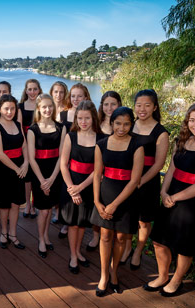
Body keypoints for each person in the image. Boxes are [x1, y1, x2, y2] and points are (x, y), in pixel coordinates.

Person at [146, 102, 195, 297]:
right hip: (170, 197)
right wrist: (164, 193)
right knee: (158, 241)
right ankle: (163, 276)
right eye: (192, 120)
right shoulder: (181, 141)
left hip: (192, 203)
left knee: (184, 247)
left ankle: (176, 280)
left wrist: (174, 197)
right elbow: (171, 170)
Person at [90, 107, 144, 296]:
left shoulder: (137, 145)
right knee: (105, 236)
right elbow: (97, 174)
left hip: (126, 198)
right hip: (105, 196)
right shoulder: (102, 144)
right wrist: (97, 201)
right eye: (118, 123)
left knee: (121, 237)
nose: (122, 127)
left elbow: (135, 180)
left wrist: (115, 205)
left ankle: (114, 271)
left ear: (131, 124)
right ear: (111, 123)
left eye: (127, 123)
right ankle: (104, 275)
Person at [120, 90, 169, 269]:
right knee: (127, 217)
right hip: (126, 178)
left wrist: (139, 181)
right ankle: (126, 248)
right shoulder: (129, 125)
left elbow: (159, 164)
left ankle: (138, 251)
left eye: (147, 105)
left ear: (154, 107)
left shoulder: (161, 132)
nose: (142, 109)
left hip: (147, 182)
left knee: (143, 220)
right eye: (139, 105)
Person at [59, 100, 104, 274]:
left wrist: (81, 188)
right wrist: (72, 188)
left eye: (87, 118)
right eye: (80, 118)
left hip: (89, 185)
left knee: (82, 222)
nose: (83, 122)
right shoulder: (71, 136)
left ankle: (78, 251)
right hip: (70, 184)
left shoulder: (101, 139)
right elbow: (63, 164)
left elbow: (98, 169)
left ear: (93, 118)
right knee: (73, 224)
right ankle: (73, 255)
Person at [27, 94, 66, 258]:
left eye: (50, 106)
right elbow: (31, 158)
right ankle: (41, 239)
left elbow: (62, 156)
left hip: (55, 174)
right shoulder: (32, 130)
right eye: (44, 106)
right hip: (39, 175)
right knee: (42, 210)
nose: (47, 109)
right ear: (38, 108)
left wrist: (52, 178)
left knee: (50, 207)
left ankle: (46, 235)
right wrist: (43, 180)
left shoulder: (61, 128)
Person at [0, 94, 29, 249]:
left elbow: (24, 145)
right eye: (6, 108)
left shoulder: (17, 123)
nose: (9, 111)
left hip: (20, 167)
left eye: (12, 108)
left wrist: (26, 162)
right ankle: (4, 233)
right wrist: (17, 168)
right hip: (3, 169)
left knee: (16, 203)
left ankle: (13, 234)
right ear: (0, 109)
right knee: (4, 204)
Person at [88, 90, 122, 251]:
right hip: (96, 173)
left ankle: (117, 242)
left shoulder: (122, 125)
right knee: (97, 207)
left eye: (113, 104)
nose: (109, 108)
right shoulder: (96, 124)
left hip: (116, 176)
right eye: (106, 104)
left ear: (119, 105)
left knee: (115, 210)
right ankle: (96, 237)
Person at [19, 79, 42, 218]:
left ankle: (35, 204)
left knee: (36, 176)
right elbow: (19, 128)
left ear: (39, 90)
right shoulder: (20, 106)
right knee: (27, 178)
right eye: (30, 89)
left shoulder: (42, 105)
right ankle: (28, 204)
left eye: (35, 89)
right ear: (26, 90)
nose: (32, 92)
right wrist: (25, 146)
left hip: (40, 144)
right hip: (25, 145)